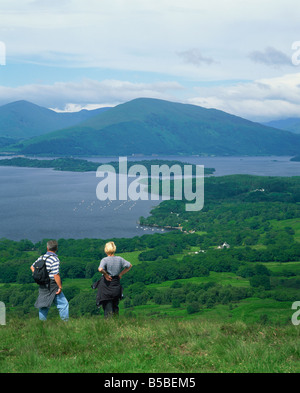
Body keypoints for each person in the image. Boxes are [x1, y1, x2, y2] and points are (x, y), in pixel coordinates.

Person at [30, 240, 69, 321]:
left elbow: (32, 267)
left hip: (42, 284)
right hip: (52, 285)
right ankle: (65, 324)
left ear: (47, 248)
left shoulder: (41, 257)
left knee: (43, 306)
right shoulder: (55, 259)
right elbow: (56, 274)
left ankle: (42, 325)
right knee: (63, 305)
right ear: (56, 248)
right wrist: (60, 287)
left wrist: (40, 276)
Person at [97, 241, 132, 318]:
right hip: (116, 285)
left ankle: (108, 327)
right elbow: (129, 265)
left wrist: (106, 274)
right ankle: (116, 325)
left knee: (107, 309)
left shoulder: (104, 260)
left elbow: (100, 269)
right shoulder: (119, 259)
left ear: (106, 250)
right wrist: (121, 274)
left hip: (106, 286)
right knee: (115, 307)